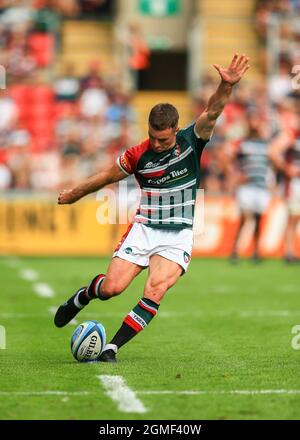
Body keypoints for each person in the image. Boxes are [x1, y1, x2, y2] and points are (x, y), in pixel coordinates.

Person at [54, 54, 250, 362]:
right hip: (144, 228)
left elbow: (214, 110)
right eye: (151, 137)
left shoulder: (192, 139)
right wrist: (75, 194)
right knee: (112, 288)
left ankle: (111, 348)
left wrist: (226, 85)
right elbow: (106, 176)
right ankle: (82, 296)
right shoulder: (138, 155)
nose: (156, 144)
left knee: (155, 290)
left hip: (178, 235)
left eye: (162, 139)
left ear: (174, 129)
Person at [228, 114, 273, 262]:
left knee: (258, 220)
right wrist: (236, 174)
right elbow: (228, 157)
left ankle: (256, 251)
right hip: (247, 186)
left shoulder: (266, 144)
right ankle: (235, 250)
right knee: (244, 218)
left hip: (261, 186)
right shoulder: (242, 143)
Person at [270, 126, 300, 262]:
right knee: (293, 218)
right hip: (294, 184)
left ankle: (291, 251)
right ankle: (288, 252)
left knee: (296, 218)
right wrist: (286, 169)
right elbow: (272, 152)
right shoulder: (292, 134)